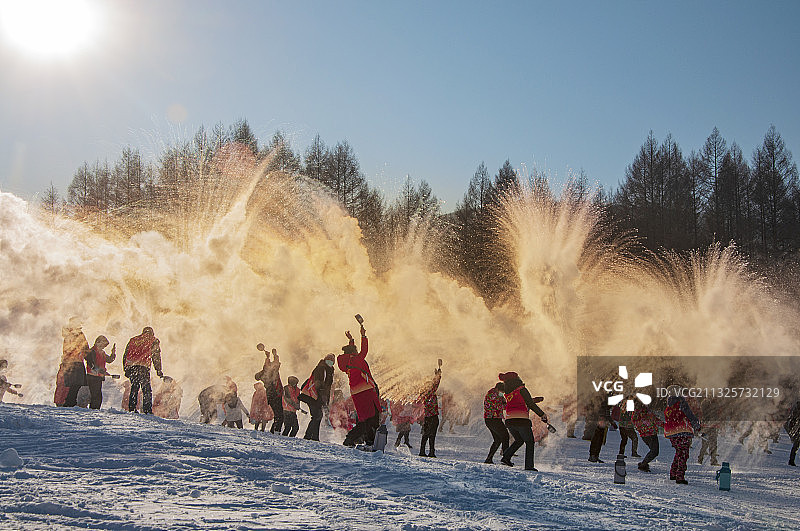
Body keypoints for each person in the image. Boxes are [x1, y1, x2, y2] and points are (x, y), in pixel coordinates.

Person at [337, 323, 380, 447]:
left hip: (357, 393)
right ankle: (351, 439)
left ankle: (366, 440)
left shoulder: (348, 361)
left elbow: (351, 352)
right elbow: (364, 350)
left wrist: (351, 340)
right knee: (370, 418)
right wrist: (363, 335)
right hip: (366, 391)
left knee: (366, 418)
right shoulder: (357, 359)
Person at [498, 372, 548, 471]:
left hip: (509, 420)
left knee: (519, 440)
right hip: (521, 419)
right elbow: (530, 404)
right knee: (529, 442)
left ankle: (506, 457)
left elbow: (519, 402)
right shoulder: (522, 390)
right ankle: (529, 466)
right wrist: (542, 415)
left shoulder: (507, 392)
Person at [664, 385, 701, 485]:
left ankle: (673, 473)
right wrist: (697, 425)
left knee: (679, 452)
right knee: (684, 454)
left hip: (671, 432)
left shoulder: (669, 403)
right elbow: (689, 414)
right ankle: (679, 476)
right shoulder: (681, 402)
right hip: (681, 431)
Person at [122, 327, 163, 414]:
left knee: (134, 387)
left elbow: (125, 354)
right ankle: (147, 410)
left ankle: (132, 408)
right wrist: (158, 370)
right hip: (143, 367)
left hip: (132, 367)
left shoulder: (133, 340)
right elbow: (156, 356)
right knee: (146, 389)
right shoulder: (153, 340)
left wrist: (125, 369)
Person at [299, 353, 335, 440]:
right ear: (325, 359)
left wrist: (325, 399)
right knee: (317, 415)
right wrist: (322, 395)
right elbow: (319, 382)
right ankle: (309, 436)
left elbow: (328, 386)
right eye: (328, 360)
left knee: (317, 416)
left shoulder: (329, 370)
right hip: (313, 395)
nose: (330, 362)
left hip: (316, 396)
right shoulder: (322, 368)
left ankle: (313, 436)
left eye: (332, 361)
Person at [57, 317, 89, 407]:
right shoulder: (75, 335)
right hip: (74, 362)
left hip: (72, 361)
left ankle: (70, 401)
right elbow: (85, 348)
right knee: (75, 384)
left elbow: (85, 348)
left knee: (76, 384)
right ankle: (69, 402)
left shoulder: (71, 334)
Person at [255, 344, 284, 434]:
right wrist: (273, 355)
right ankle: (276, 431)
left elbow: (270, 366)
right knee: (280, 415)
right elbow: (271, 366)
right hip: (275, 395)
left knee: (278, 415)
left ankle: (274, 431)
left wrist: (268, 356)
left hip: (273, 396)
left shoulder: (265, 375)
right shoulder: (267, 375)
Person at [84, 335, 116, 409]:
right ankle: (93, 411)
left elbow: (109, 360)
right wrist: (99, 370)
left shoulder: (102, 353)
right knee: (95, 396)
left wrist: (113, 353)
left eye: (104, 345)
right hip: (92, 376)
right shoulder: (92, 351)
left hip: (99, 376)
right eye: (102, 344)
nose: (103, 347)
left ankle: (95, 410)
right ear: (97, 342)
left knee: (98, 396)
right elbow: (91, 364)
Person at [631, 402, 663, 472]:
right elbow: (654, 420)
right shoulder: (643, 411)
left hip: (645, 434)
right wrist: (664, 425)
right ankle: (643, 464)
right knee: (654, 451)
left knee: (654, 451)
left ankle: (644, 463)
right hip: (650, 434)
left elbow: (635, 422)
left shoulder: (638, 411)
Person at [418, 367, 442, 457]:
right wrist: (438, 375)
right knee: (431, 435)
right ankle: (430, 452)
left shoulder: (424, 394)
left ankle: (423, 451)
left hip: (428, 417)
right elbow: (435, 385)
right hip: (433, 416)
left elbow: (434, 385)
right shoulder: (429, 393)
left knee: (426, 434)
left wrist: (437, 376)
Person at [483, 382, 509, 464]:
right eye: (502, 391)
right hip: (493, 419)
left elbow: (503, 403)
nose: (502, 393)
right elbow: (500, 406)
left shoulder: (498, 394)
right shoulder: (492, 395)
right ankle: (506, 458)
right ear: (497, 389)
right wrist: (507, 405)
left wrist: (504, 403)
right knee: (505, 436)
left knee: (498, 439)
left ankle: (489, 459)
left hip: (492, 419)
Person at [587, 392, 615, 463]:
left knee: (599, 440)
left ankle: (595, 455)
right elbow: (605, 413)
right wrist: (612, 422)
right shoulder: (602, 402)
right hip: (598, 423)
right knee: (596, 440)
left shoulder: (604, 402)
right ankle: (593, 455)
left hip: (601, 423)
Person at [785, 399, 800, 466]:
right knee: (796, 446)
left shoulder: (795, 410)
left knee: (795, 446)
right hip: (797, 430)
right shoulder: (796, 411)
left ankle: (791, 461)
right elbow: (792, 422)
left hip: (796, 430)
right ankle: (791, 461)